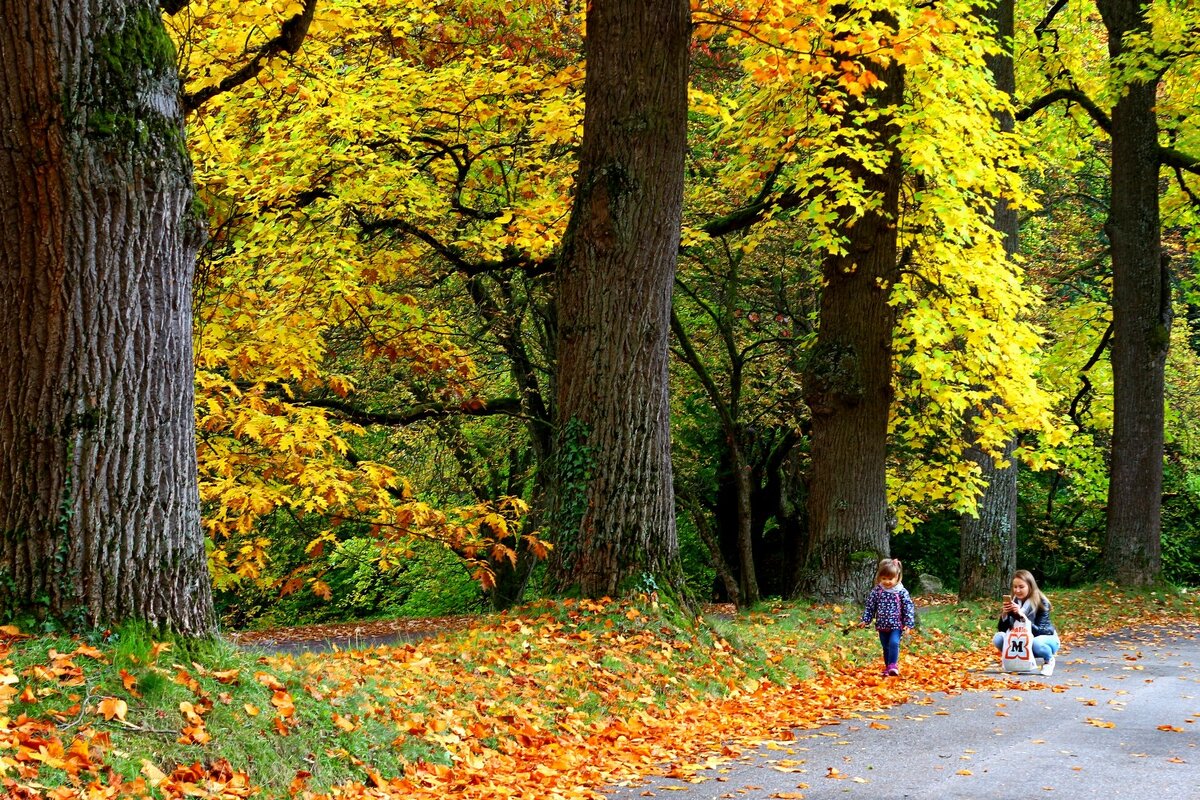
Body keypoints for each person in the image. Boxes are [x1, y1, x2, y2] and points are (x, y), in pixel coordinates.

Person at [993, 569, 1060, 676]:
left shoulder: (1041, 602)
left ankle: (1048, 661)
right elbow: (1003, 630)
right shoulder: (1013, 602)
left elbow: (1043, 631)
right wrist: (1005, 614)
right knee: (999, 637)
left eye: (1021, 587)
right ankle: (1014, 661)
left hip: (1045, 639)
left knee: (1037, 643)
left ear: (1030, 586)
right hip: (1022, 640)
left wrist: (1022, 617)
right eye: (1015, 587)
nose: (1017, 590)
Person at [859, 558, 917, 676]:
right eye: (884, 578)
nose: (887, 582)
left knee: (894, 643)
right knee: (885, 646)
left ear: (897, 577)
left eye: (890, 579)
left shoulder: (901, 592)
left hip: (896, 624)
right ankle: (887, 668)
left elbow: (908, 607)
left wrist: (908, 624)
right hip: (882, 624)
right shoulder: (877, 591)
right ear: (879, 577)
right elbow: (870, 606)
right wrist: (866, 620)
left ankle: (893, 665)